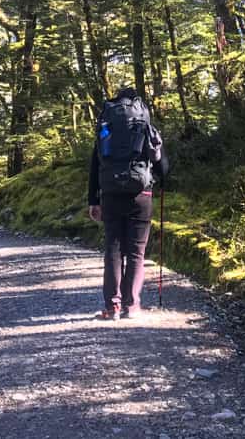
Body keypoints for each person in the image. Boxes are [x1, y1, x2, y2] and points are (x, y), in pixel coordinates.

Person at [87, 88, 168, 320]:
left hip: (110, 195)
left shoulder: (106, 129)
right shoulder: (145, 127)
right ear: (138, 106)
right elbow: (163, 169)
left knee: (113, 249)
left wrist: (93, 200)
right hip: (141, 195)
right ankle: (131, 306)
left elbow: (95, 167)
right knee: (135, 252)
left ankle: (112, 307)